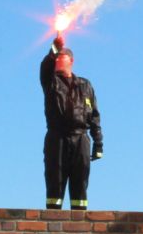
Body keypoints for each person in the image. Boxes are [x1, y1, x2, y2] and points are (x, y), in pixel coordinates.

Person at [39, 34, 103, 210]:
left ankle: (79, 225)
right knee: (55, 181)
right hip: (56, 138)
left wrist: (98, 143)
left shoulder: (85, 85)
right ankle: (52, 223)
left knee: (80, 182)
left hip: (80, 139)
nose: (57, 61)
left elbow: (94, 116)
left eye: (61, 57)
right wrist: (54, 48)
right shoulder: (50, 82)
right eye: (56, 58)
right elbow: (45, 66)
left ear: (71, 61)